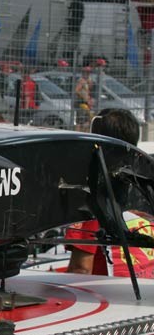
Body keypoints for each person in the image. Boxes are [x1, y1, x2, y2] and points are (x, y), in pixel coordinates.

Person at [65, 108, 154, 277]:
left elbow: (80, 269)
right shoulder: (144, 188)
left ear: (97, 142)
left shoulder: (94, 201)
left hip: (110, 297)